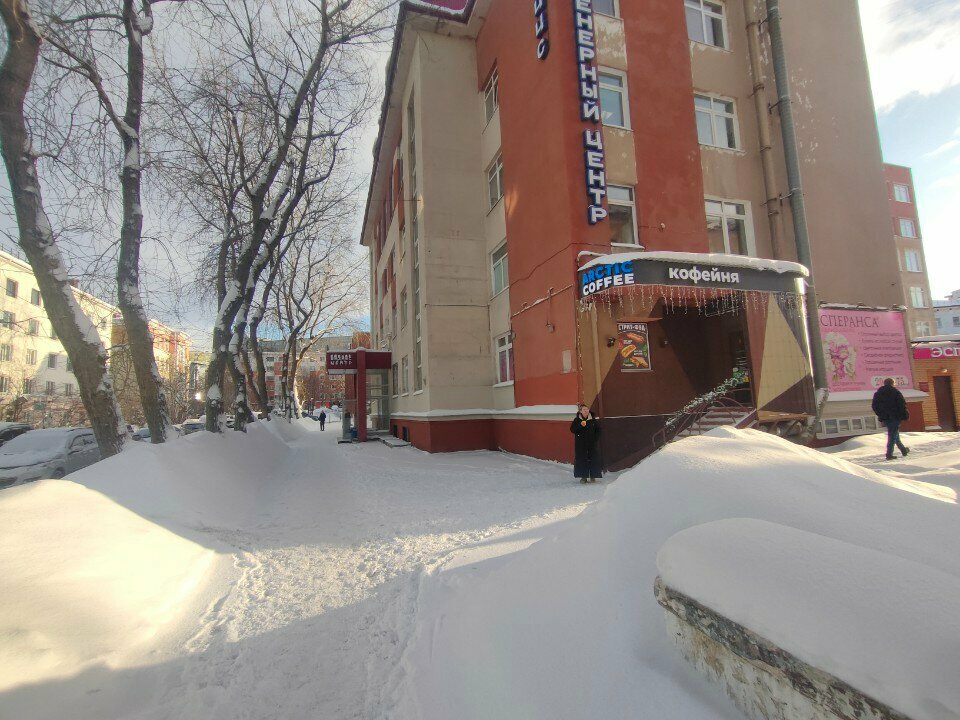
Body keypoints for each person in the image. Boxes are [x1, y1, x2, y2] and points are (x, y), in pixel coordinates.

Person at [871, 378, 910, 460]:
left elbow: (874, 406)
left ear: (884, 383)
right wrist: (905, 415)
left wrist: (881, 414)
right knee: (892, 435)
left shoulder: (878, 393)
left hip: (885, 418)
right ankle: (889, 454)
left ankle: (903, 450)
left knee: (894, 433)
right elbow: (902, 405)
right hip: (895, 416)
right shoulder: (896, 392)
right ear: (893, 383)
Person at [570, 404, 603, 483]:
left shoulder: (593, 420)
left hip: (592, 444)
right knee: (582, 460)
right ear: (580, 411)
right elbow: (572, 430)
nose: (586, 411)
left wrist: (595, 438)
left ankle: (593, 476)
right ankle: (583, 477)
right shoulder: (577, 420)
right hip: (581, 445)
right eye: (584, 410)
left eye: (587, 409)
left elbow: (598, 430)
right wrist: (580, 425)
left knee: (593, 459)